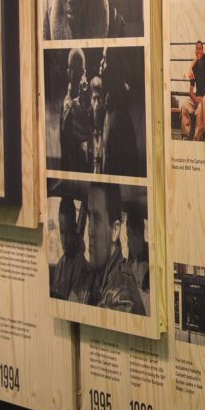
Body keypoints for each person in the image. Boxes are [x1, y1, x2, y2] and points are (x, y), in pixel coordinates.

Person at [82, 185, 145, 313]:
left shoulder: (123, 296)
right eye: (89, 217)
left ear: (115, 230)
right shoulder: (95, 275)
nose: (89, 230)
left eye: (97, 219)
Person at [49, 195, 94, 302]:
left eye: (67, 232)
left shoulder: (80, 265)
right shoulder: (61, 262)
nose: (64, 239)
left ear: (74, 230)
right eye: (62, 232)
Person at [59, 48, 94, 171]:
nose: (79, 74)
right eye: (75, 69)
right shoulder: (66, 104)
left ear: (84, 72)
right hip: (71, 166)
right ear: (68, 72)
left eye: (81, 70)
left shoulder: (89, 101)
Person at [178, 40, 205, 139]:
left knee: (199, 111)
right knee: (184, 106)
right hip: (197, 98)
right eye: (197, 49)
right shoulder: (194, 68)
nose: (198, 51)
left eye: (200, 49)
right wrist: (196, 99)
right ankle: (185, 136)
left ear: (203, 50)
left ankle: (197, 138)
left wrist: (202, 99)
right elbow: (191, 92)